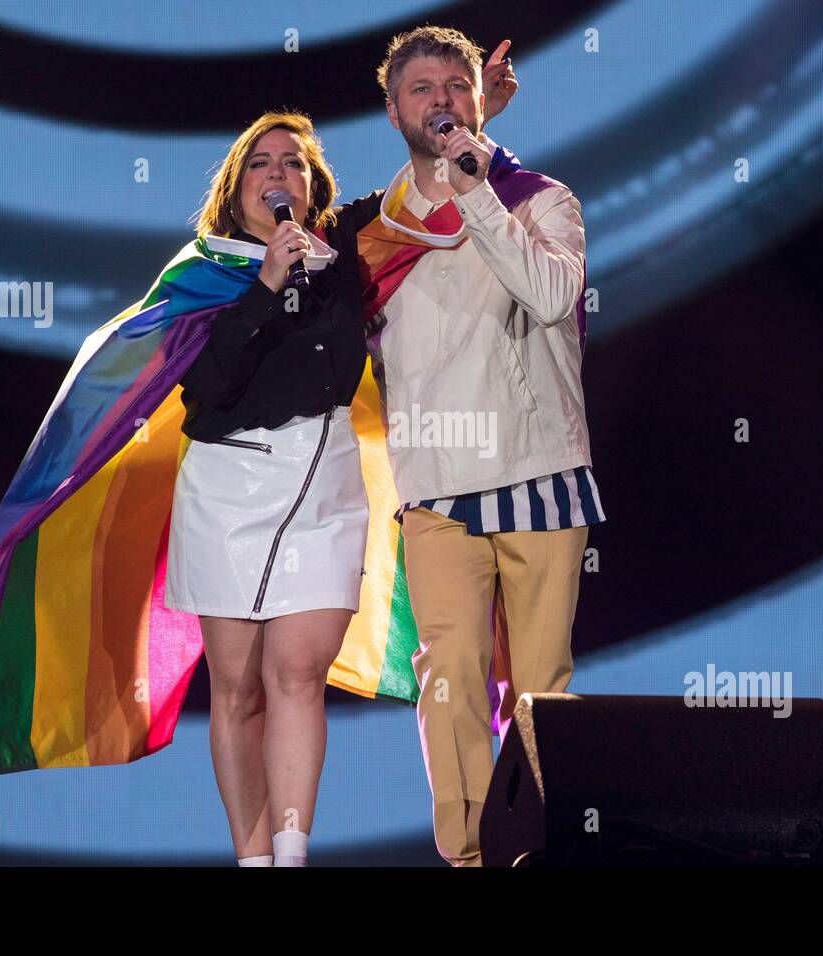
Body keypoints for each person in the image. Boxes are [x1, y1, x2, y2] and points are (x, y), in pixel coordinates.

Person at [162, 40, 518, 867]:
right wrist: (261, 291)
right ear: (237, 186)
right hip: (226, 487)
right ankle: (250, 857)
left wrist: (474, 121)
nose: (277, 172)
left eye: (293, 161)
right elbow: (204, 392)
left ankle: (291, 856)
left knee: (296, 671)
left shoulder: (348, 247)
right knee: (240, 687)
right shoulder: (204, 276)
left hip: (322, 486)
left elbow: (422, 197)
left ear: (313, 184)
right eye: (261, 162)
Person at [367, 26, 604, 867]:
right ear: (393, 107)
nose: (439, 100)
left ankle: (538, 852)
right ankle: (469, 858)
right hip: (435, 485)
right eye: (421, 87)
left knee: (542, 693)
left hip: (538, 471)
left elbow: (546, 295)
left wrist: (476, 192)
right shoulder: (377, 234)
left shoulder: (542, 200)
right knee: (451, 677)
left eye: (454, 86)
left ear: (480, 100)